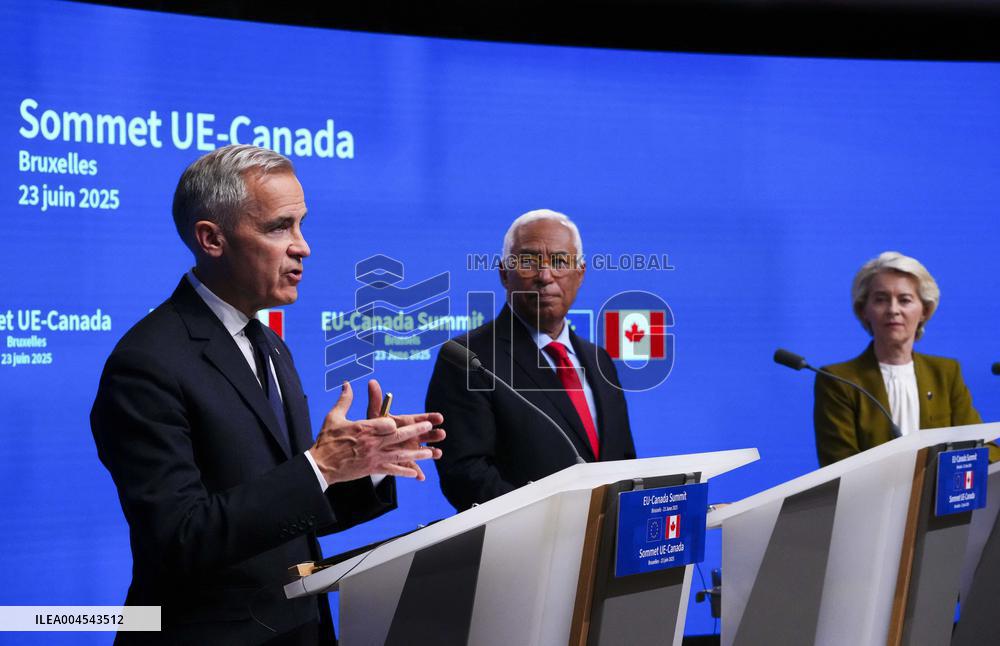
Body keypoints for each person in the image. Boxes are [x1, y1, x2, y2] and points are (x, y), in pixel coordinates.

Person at [90, 145, 445, 645]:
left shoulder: (269, 343)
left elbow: (285, 514)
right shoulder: (147, 363)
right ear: (212, 239)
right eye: (280, 227)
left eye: (301, 225)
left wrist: (359, 468)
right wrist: (319, 467)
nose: (303, 246)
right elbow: (179, 537)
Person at [426, 209, 636, 511]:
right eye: (528, 261)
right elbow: (466, 475)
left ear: (580, 273)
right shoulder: (468, 359)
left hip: (606, 546)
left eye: (560, 261)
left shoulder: (599, 360)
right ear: (503, 273)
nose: (545, 276)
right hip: (524, 548)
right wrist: (554, 523)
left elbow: (623, 460)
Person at [814, 251, 996, 466]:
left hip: (939, 496)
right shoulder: (839, 380)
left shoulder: (946, 373)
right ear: (864, 310)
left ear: (924, 311)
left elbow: (982, 447)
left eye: (905, 300)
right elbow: (839, 465)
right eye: (881, 300)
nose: (893, 310)